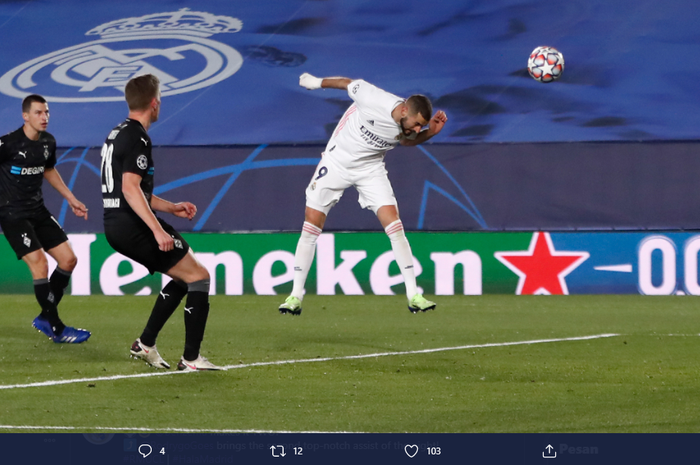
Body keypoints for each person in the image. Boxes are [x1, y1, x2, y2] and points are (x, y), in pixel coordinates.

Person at [279, 73, 448, 315]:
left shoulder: (408, 123)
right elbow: (347, 83)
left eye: (421, 125)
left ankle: (414, 294)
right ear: (403, 111)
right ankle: (294, 296)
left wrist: (430, 132)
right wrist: (315, 83)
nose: (417, 128)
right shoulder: (373, 98)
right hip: (337, 163)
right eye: (416, 123)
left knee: (395, 226)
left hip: (370, 169)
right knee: (311, 226)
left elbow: (406, 141)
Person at [101, 74, 220, 371]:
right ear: (154, 104)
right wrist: (156, 229)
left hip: (117, 222)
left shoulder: (117, 133)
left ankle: (145, 344)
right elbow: (130, 189)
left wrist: (171, 208)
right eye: (161, 100)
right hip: (132, 225)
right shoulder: (138, 137)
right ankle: (191, 359)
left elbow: (134, 191)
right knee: (199, 277)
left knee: (184, 277)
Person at [0, 94, 91, 343]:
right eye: (39, 113)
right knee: (40, 264)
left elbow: (48, 170)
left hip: (38, 211)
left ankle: (44, 318)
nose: (45, 117)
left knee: (69, 260)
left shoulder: (48, 142)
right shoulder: (7, 144)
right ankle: (57, 328)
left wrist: (71, 199)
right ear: (25, 116)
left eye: (47, 112)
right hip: (12, 215)